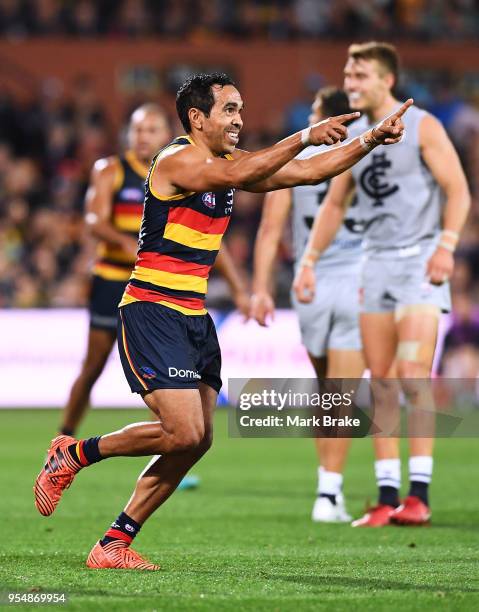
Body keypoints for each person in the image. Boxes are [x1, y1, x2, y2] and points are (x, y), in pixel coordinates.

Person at [34, 72, 410, 570]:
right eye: (229, 110)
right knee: (184, 431)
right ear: (197, 117)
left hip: (194, 317)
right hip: (152, 310)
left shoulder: (230, 162)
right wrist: (301, 135)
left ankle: (114, 543)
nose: (239, 119)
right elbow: (244, 175)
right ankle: (75, 453)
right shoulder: (177, 159)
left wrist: (369, 139)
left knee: (197, 440)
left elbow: (309, 173)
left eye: (240, 110)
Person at [294, 42, 470, 526]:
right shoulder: (358, 134)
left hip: (419, 263)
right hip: (373, 266)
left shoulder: (424, 127)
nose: (350, 83)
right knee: (383, 383)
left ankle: (420, 494)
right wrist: (309, 260)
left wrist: (446, 245)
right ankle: (389, 496)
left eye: (360, 76)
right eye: (347, 76)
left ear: (386, 80)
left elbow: (458, 190)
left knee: (413, 375)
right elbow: (333, 204)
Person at [58, 103, 249, 437]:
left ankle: (175, 441)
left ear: (167, 134)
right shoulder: (112, 169)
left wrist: (238, 288)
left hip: (165, 287)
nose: (143, 137)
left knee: (171, 382)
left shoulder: (188, 171)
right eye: (137, 130)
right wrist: (126, 244)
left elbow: (206, 237)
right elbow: (93, 220)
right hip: (114, 279)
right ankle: (64, 436)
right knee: (93, 366)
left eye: (151, 130)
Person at [251, 87, 364, 523]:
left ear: (325, 119)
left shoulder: (295, 160)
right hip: (356, 279)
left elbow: (269, 229)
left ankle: (326, 486)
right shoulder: (366, 153)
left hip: (308, 285)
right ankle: (329, 493)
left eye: (314, 112)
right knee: (344, 395)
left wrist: (262, 286)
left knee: (326, 391)